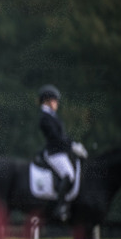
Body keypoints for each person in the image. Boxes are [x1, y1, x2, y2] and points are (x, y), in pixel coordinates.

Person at [38, 84, 85, 221]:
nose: (56, 103)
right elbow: (56, 137)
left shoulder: (52, 116)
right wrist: (71, 146)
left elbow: (62, 136)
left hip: (61, 152)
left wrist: (73, 144)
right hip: (54, 153)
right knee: (69, 175)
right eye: (55, 100)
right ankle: (60, 207)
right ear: (47, 100)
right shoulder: (45, 118)